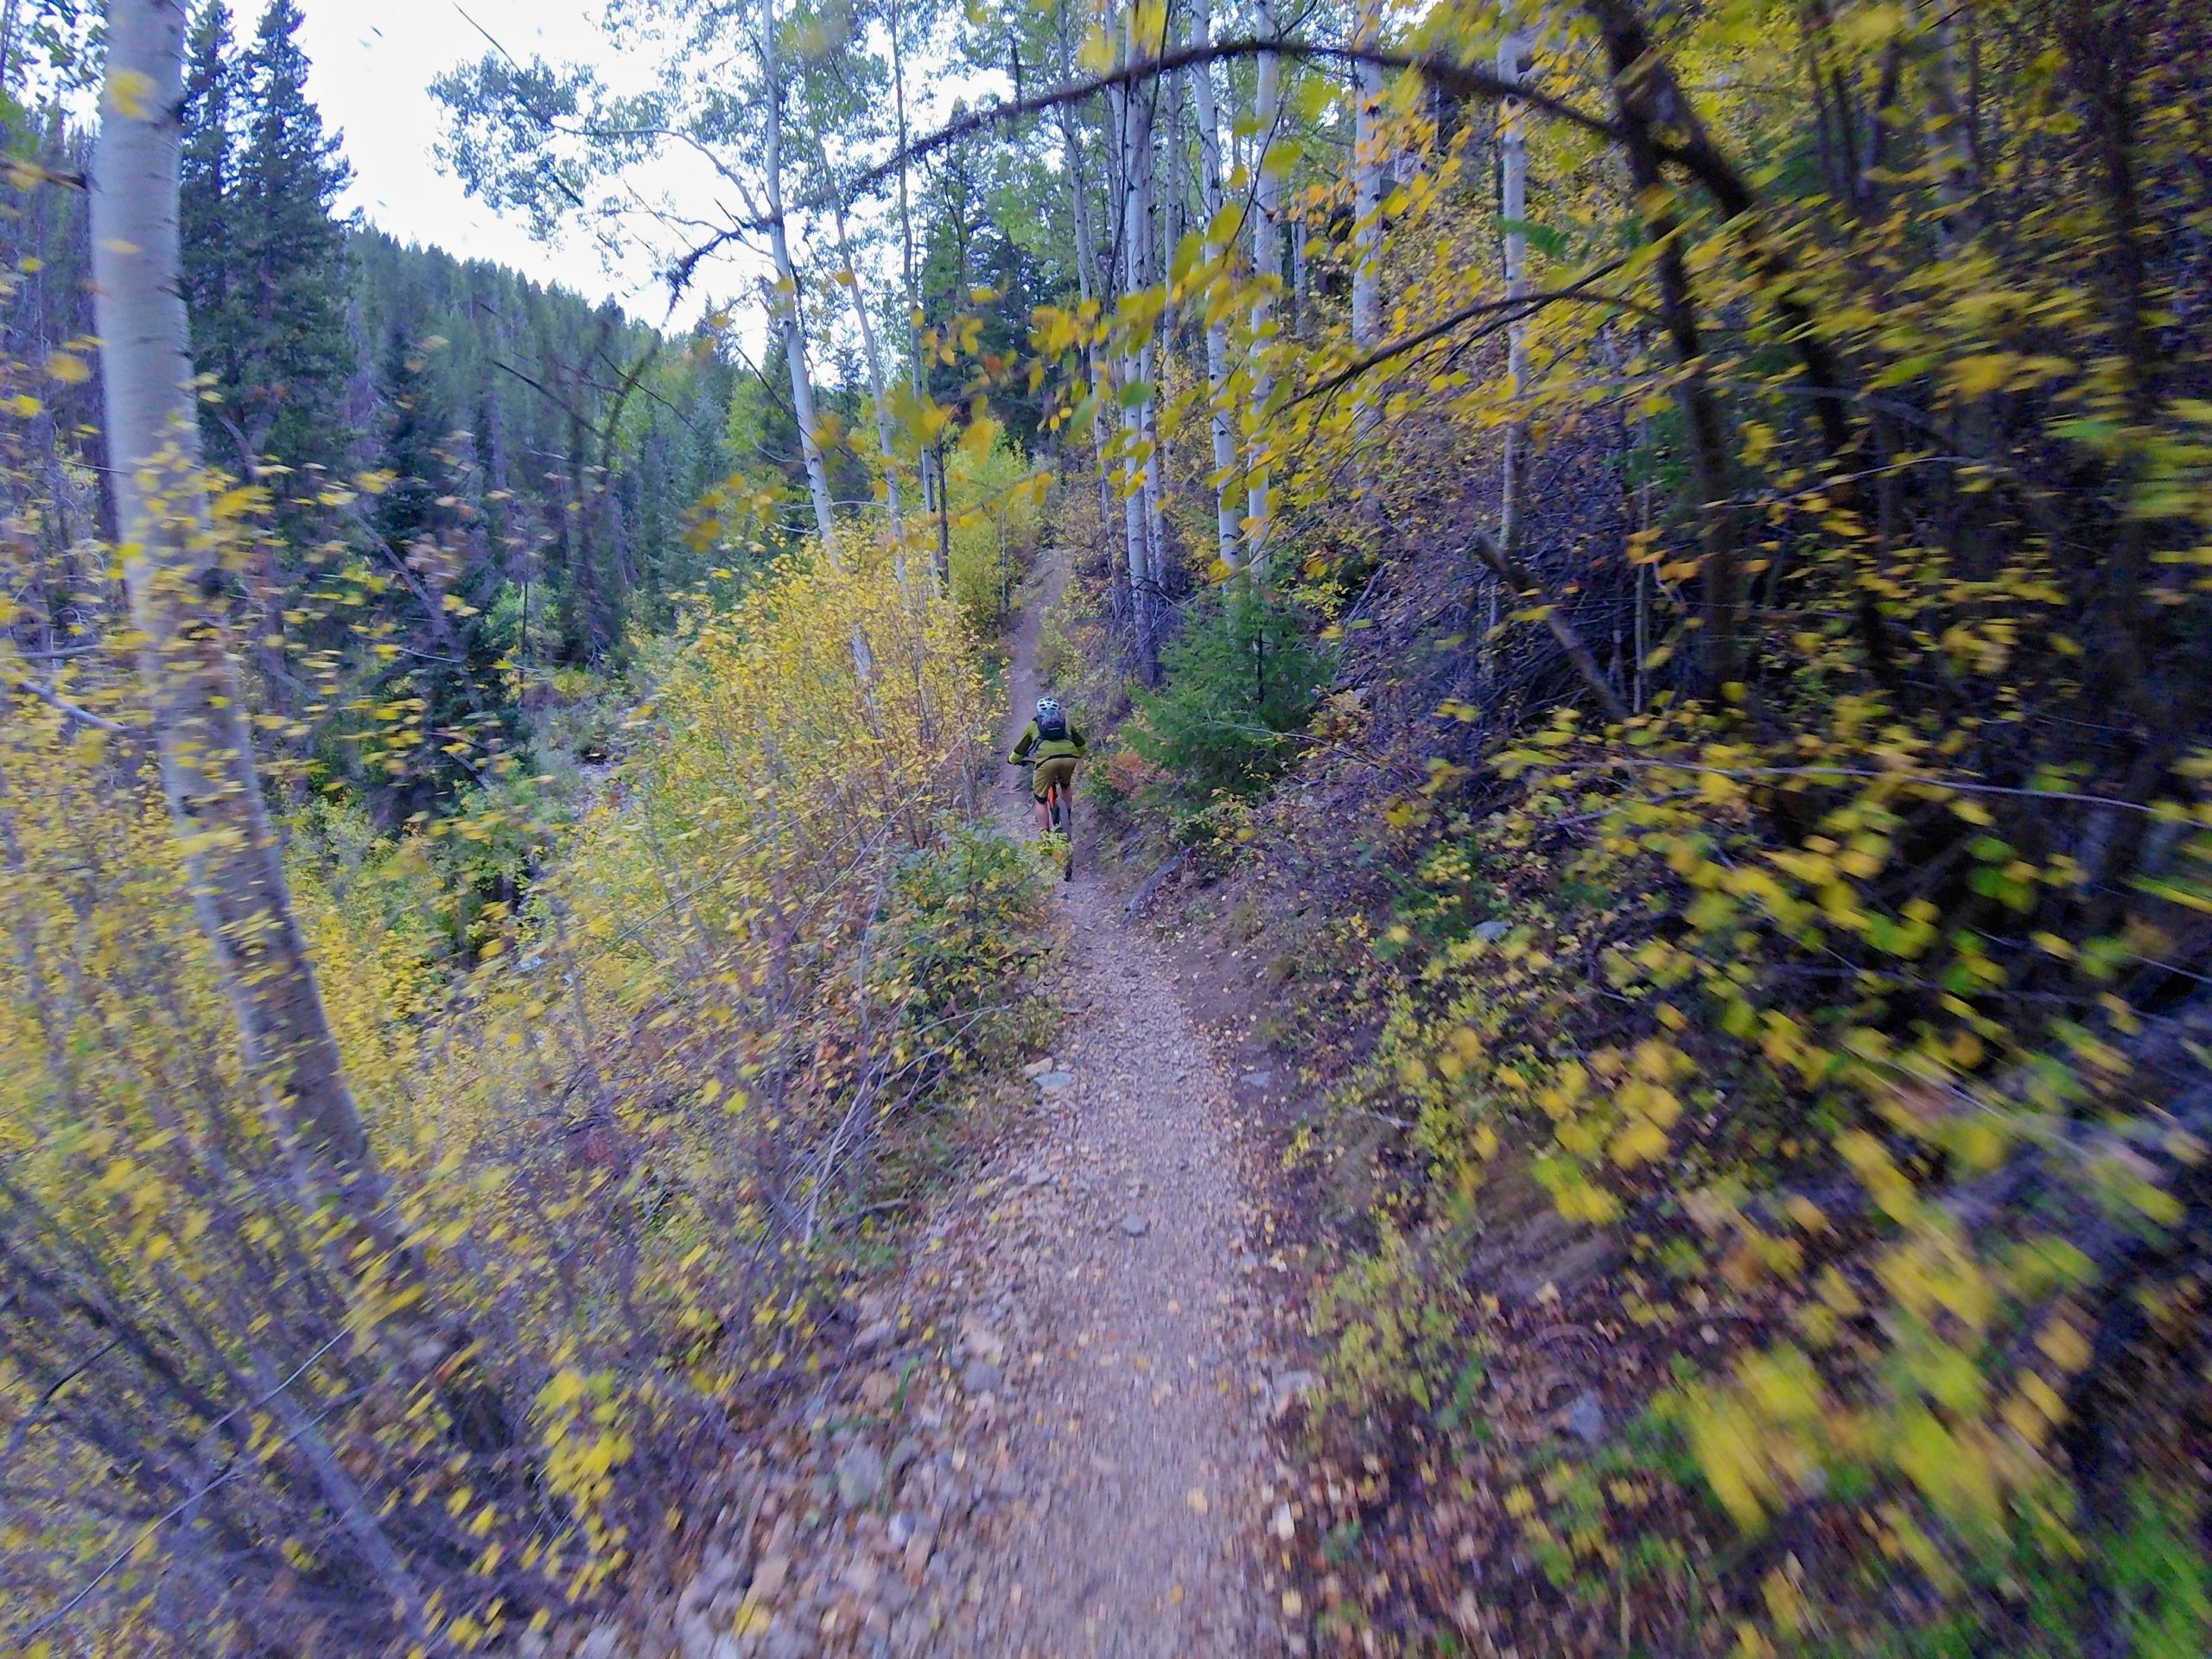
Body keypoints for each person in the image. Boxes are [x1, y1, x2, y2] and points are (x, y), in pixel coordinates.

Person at [1007, 696, 1085, 835]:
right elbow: (1082, 746)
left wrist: (1013, 760)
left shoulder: (1033, 724)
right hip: (1069, 758)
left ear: (1038, 711)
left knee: (1040, 799)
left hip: (1046, 762)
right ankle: (1067, 815)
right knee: (1065, 785)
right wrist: (1074, 755)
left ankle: (1044, 838)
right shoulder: (1066, 722)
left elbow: (1020, 749)